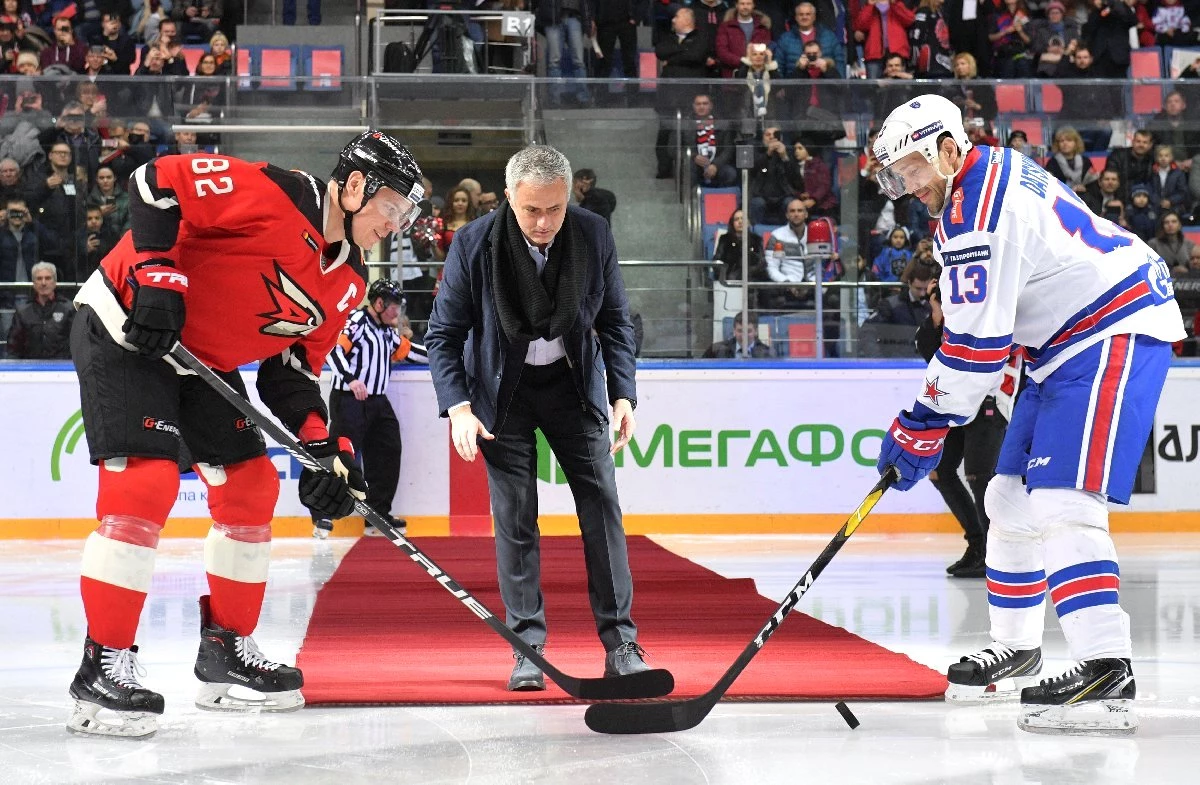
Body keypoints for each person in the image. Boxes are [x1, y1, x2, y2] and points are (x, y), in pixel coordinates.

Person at [66, 129, 425, 738]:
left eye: (405, 214)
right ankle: (102, 665)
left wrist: (324, 446)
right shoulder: (275, 191)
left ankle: (225, 652)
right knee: (145, 483)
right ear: (358, 186)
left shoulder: (351, 282)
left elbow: (290, 370)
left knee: (253, 485)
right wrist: (154, 270)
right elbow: (155, 182)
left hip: (204, 357)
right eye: (392, 207)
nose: (396, 223)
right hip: (128, 327)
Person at [871, 93, 1184, 735]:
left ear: (947, 149)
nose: (906, 186)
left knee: (1064, 502)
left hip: (1109, 329)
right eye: (897, 175)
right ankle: (1018, 648)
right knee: (1009, 499)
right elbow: (1003, 318)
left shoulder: (976, 211)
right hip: (1062, 340)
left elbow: (975, 343)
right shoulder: (976, 181)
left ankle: (1104, 668)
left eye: (910, 170)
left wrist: (922, 421)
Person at [424, 144, 650, 692]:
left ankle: (622, 642)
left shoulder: (593, 234)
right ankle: (527, 646)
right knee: (516, 517)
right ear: (508, 199)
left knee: (602, 508)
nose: (545, 222)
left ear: (570, 197)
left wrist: (623, 394)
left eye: (555, 209)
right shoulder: (474, 244)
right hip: (504, 393)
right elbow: (443, 335)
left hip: (576, 388)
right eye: (532, 211)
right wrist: (457, 406)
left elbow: (616, 321)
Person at [311, 279, 427, 540]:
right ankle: (323, 515)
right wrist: (351, 379)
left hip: (377, 401)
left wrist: (444, 355)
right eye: (393, 306)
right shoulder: (356, 322)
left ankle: (377, 514)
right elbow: (334, 349)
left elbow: (408, 352)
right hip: (349, 400)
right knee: (341, 457)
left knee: (387, 451)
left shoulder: (386, 332)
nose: (397, 313)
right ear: (378, 303)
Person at [915, 275, 1010, 578]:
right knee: (940, 471)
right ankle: (978, 544)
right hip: (956, 402)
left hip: (986, 401)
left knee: (980, 476)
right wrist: (936, 313)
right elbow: (929, 352)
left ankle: (997, 552)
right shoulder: (942, 322)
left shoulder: (984, 315)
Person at [6, 260, 73, 359]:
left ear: (55, 282)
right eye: (39, 278)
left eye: (48, 278)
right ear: (33, 283)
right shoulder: (23, 311)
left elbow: (78, 344)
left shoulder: (68, 309)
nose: (43, 283)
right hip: (30, 370)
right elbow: (13, 348)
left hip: (62, 369)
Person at [704, 310, 771, 358]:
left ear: (756, 331)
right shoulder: (716, 350)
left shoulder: (767, 353)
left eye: (748, 331)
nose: (744, 335)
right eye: (740, 331)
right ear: (734, 331)